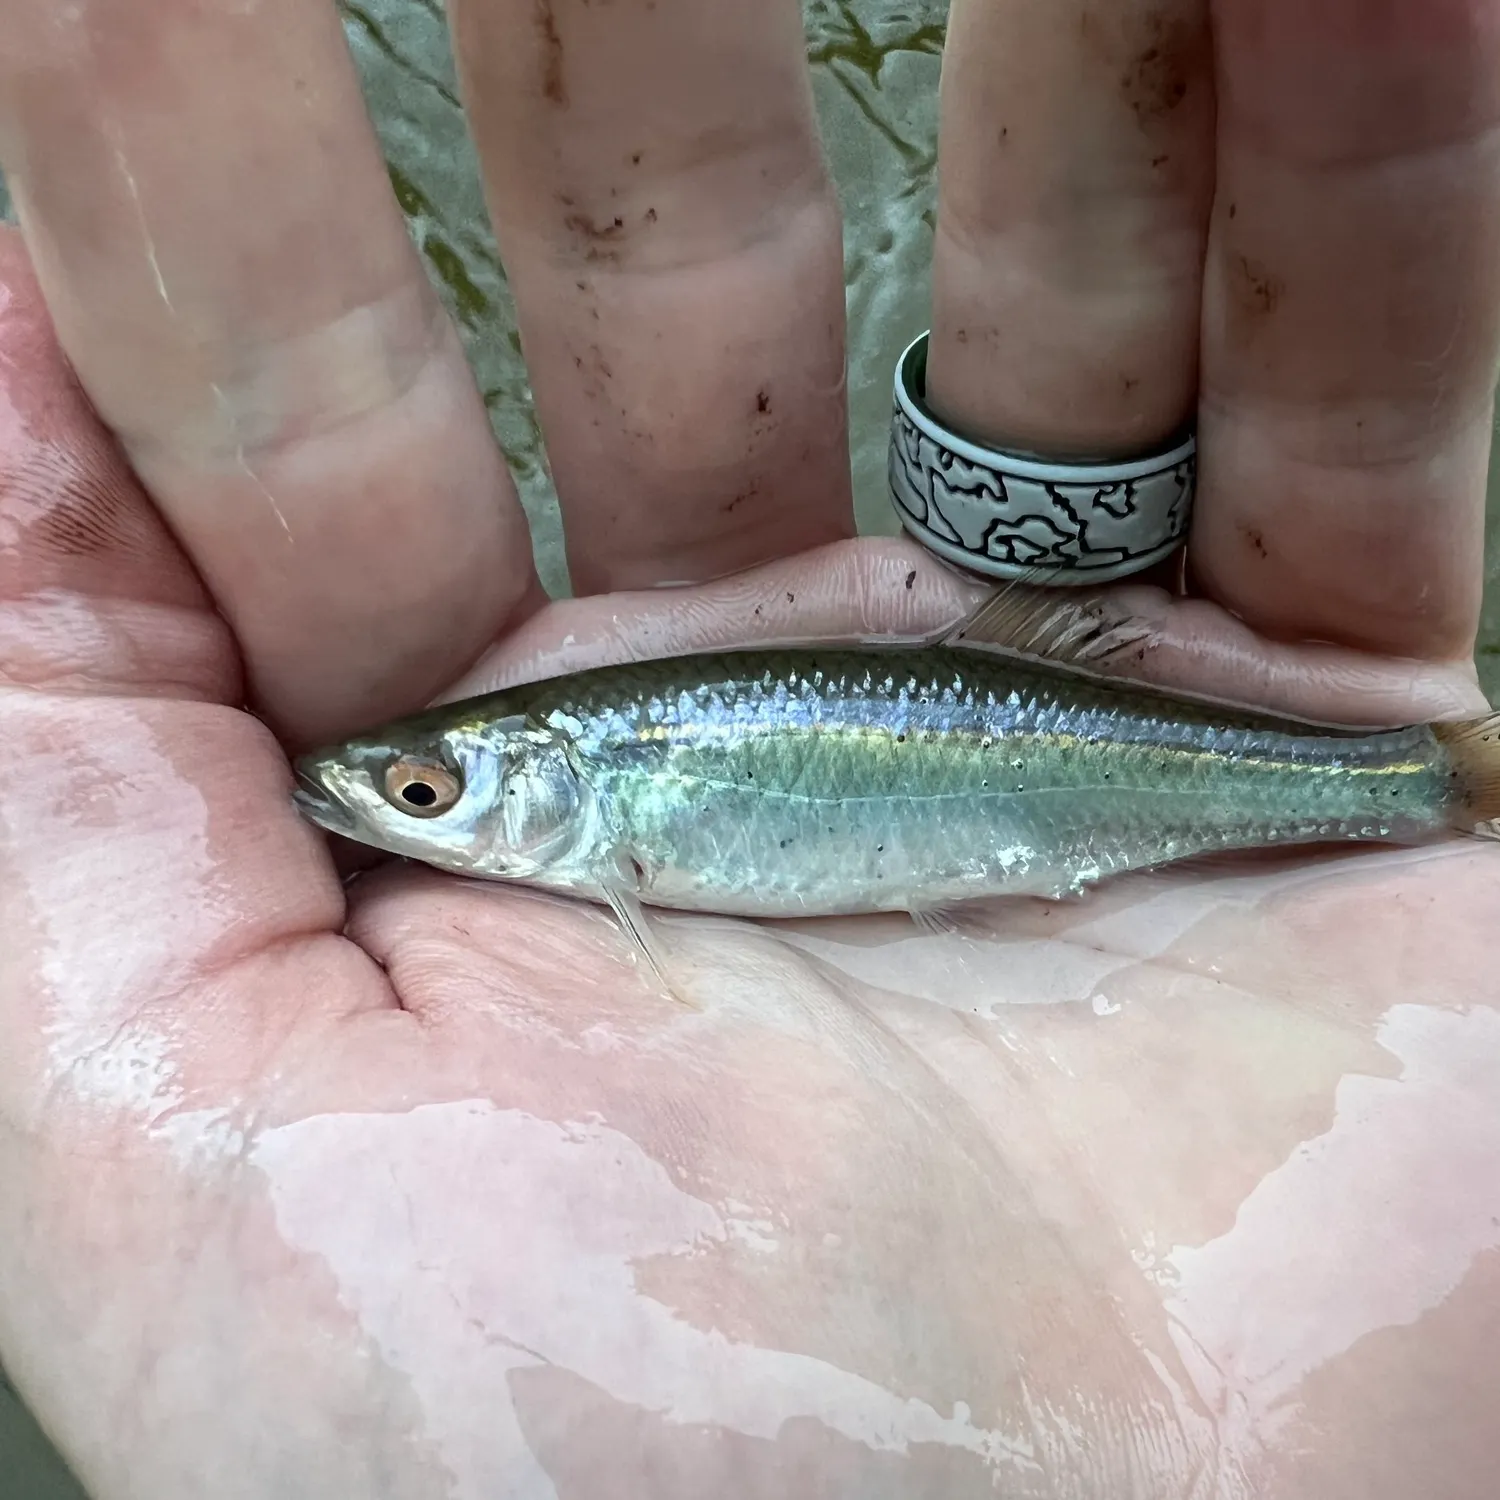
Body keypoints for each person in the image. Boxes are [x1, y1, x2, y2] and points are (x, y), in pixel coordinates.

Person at [1, 1, 1498, 1495]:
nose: (396, 811)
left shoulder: (619, 826)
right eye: (418, 793)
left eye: (423, 793)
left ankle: (1433, 788)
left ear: (568, 790)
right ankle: (1436, 787)